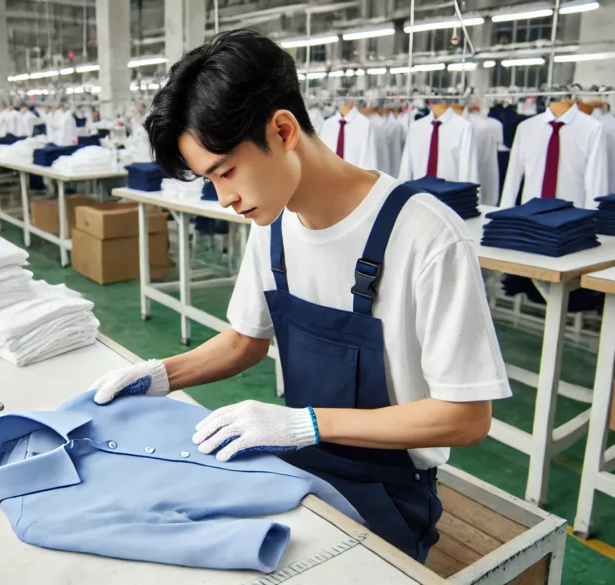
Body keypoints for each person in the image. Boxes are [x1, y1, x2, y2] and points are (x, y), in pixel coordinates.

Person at [88, 29, 511, 563]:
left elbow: (467, 417)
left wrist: (307, 423)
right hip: (295, 467)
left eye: (227, 172)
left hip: (388, 496)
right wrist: (160, 375)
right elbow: (245, 340)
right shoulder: (273, 225)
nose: (226, 199)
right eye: (209, 181)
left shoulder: (425, 236)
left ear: (283, 130)